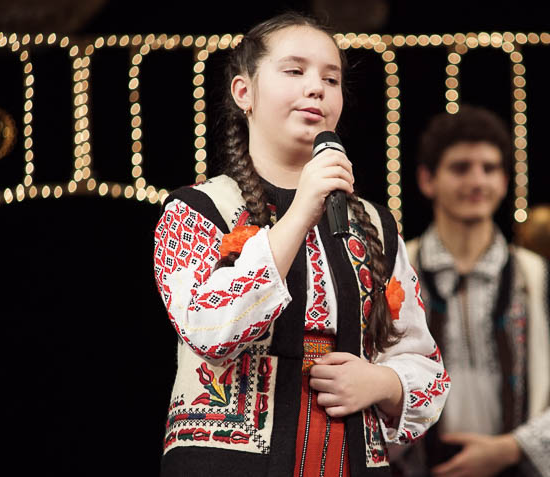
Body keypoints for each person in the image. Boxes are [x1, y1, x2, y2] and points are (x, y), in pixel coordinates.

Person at [152, 12, 448, 477]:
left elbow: (426, 367)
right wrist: (301, 209)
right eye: (294, 71)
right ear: (244, 92)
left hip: (350, 459)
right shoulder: (198, 209)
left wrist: (382, 382)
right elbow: (210, 329)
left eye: (331, 79)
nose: (316, 88)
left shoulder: (375, 224)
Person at [391, 105, 550, 477]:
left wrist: (509, 449)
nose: (477, 181)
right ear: (427, 180)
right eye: (460, 168)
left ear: (504, 181)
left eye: (489, 168)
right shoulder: (395, 272)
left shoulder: (540, 279)